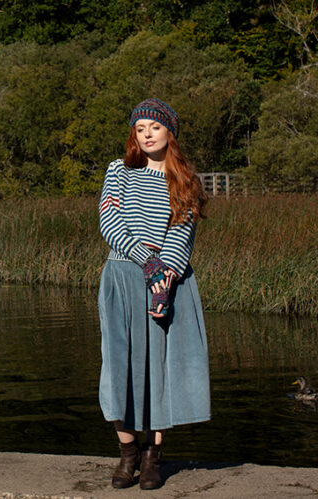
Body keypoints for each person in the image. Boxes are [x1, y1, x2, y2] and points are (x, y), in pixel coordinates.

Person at [97, 98, 210, 490]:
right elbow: (109, 222)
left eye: (154, 128)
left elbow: (183, 232)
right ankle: (127, 454)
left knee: (160, 370)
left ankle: (152, 458)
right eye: (140, 128)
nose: (146, 135)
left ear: (169, 133)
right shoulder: (118, 171)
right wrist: (147, 263)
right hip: (123, 277)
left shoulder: (186, 180)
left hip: (167, 284)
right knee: (118, 369)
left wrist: (167, 275)